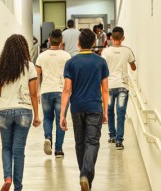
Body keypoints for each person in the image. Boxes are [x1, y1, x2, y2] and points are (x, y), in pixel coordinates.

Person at [60, 28, 109, 191]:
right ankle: (85, 175)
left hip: (77, 107)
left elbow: (67, 90)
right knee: (93, 142)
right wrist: (106, 111)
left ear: (79, 43)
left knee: (80, 143)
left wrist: (62, 114)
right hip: (95, 107)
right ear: (94, 43)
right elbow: (105, 89)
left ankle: (84, 176)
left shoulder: (71, 63)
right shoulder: (100, 62)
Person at [0, 34, 41, 191]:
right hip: (23, 111)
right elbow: (33, 93)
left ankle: (7, 177)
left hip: (4, 112)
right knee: (18, 151)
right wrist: (37, 115)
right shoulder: (29, 66)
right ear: (23, 48)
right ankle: (18, 187)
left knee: (6, 148)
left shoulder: (1, 67)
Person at [35, 29, 71, 158]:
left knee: (48, 118)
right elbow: (70, 76)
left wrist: (37, 92)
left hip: (46, 91)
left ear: (49, 40)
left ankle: (48, 138)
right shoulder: (66, 56)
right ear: (61, 41)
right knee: (61, 120)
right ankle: (59, 150)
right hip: (62, 92)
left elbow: (37, 75)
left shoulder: (41, 56)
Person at [101, 26, 136, 150]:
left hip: (109, 86)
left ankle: (112, 136)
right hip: (122, 85)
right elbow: (133, 67)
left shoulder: (105, 52)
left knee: (110, 112)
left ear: (111, 38)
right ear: (123, 38)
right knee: (120, 114)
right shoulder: (127, 50)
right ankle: (119, 142)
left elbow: (102, 68)